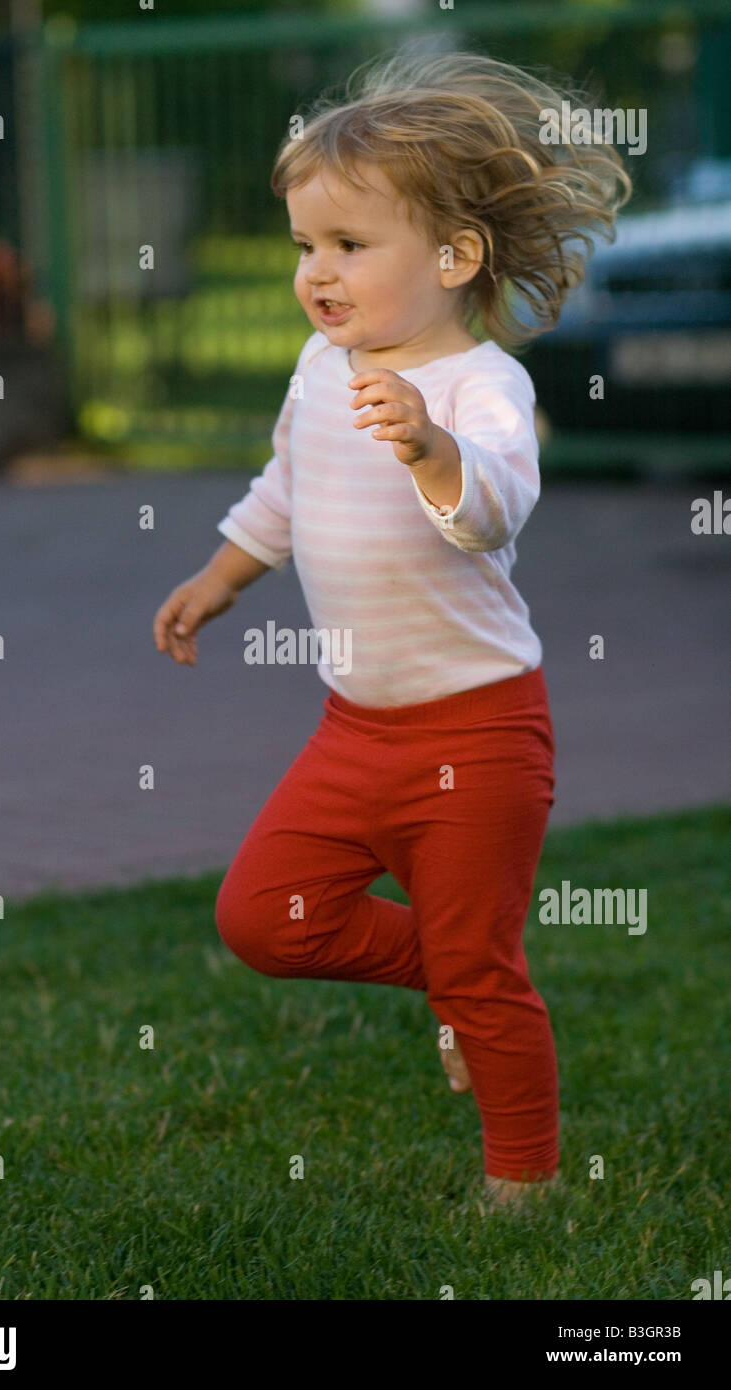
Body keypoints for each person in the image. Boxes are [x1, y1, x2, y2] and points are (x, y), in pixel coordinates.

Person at [154, 51, 630, 1209]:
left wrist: (428, 446)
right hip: (354, 732)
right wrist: (221, 573)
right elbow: (288, 485)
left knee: (482, 970)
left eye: (348, 245)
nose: (316, 273)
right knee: (262, 918)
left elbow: (488, 511)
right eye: (302, 246)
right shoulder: (321, 366)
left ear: (452, 258)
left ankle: (522, 1184)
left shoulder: (479, 389)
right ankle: (457, 978)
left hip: (479, 734)